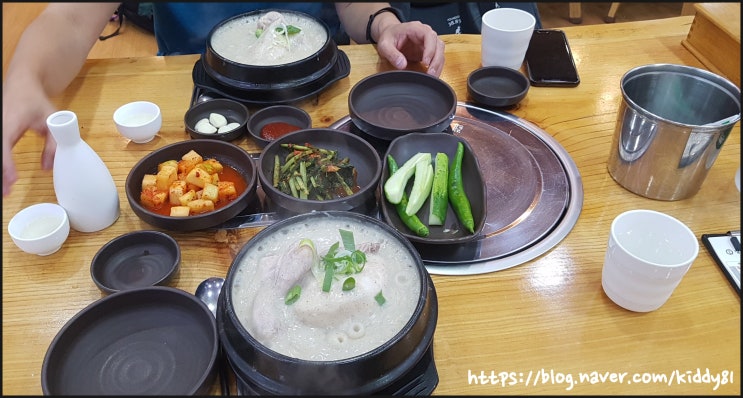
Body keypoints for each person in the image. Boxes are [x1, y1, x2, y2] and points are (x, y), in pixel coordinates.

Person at [2, 2, 445, 197]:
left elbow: (352, 2)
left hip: (317, 96)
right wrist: (24, 79)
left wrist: (383, 24)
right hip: (192, 98)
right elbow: (70, 18)